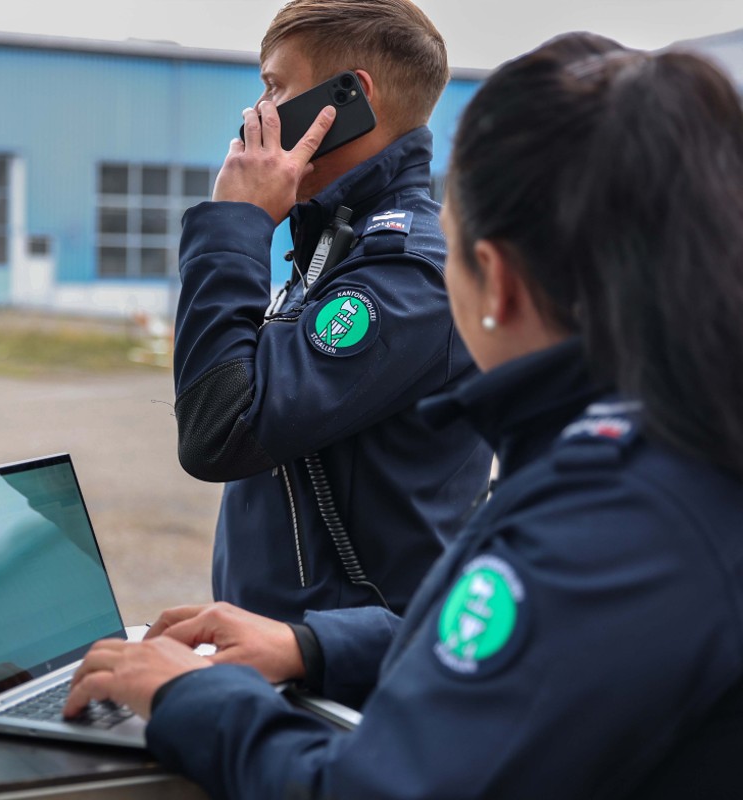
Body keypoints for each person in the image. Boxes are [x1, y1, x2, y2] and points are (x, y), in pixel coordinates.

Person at [67, 33, 743, 798]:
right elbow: (538, 648)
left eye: (452, 243)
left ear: (494, 278)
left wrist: (189, 696)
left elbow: (374, 789)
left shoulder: (606, 517)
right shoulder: (664, 451)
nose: (260, 109)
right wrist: (315, 646)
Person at [173, 0, 493, 622]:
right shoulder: (338, 243)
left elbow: (217, 432)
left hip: (346, 664)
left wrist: (234, 225)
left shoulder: (407, 274)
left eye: (274, 86)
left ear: (350, 98)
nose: (257, 111)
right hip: (284, 648)